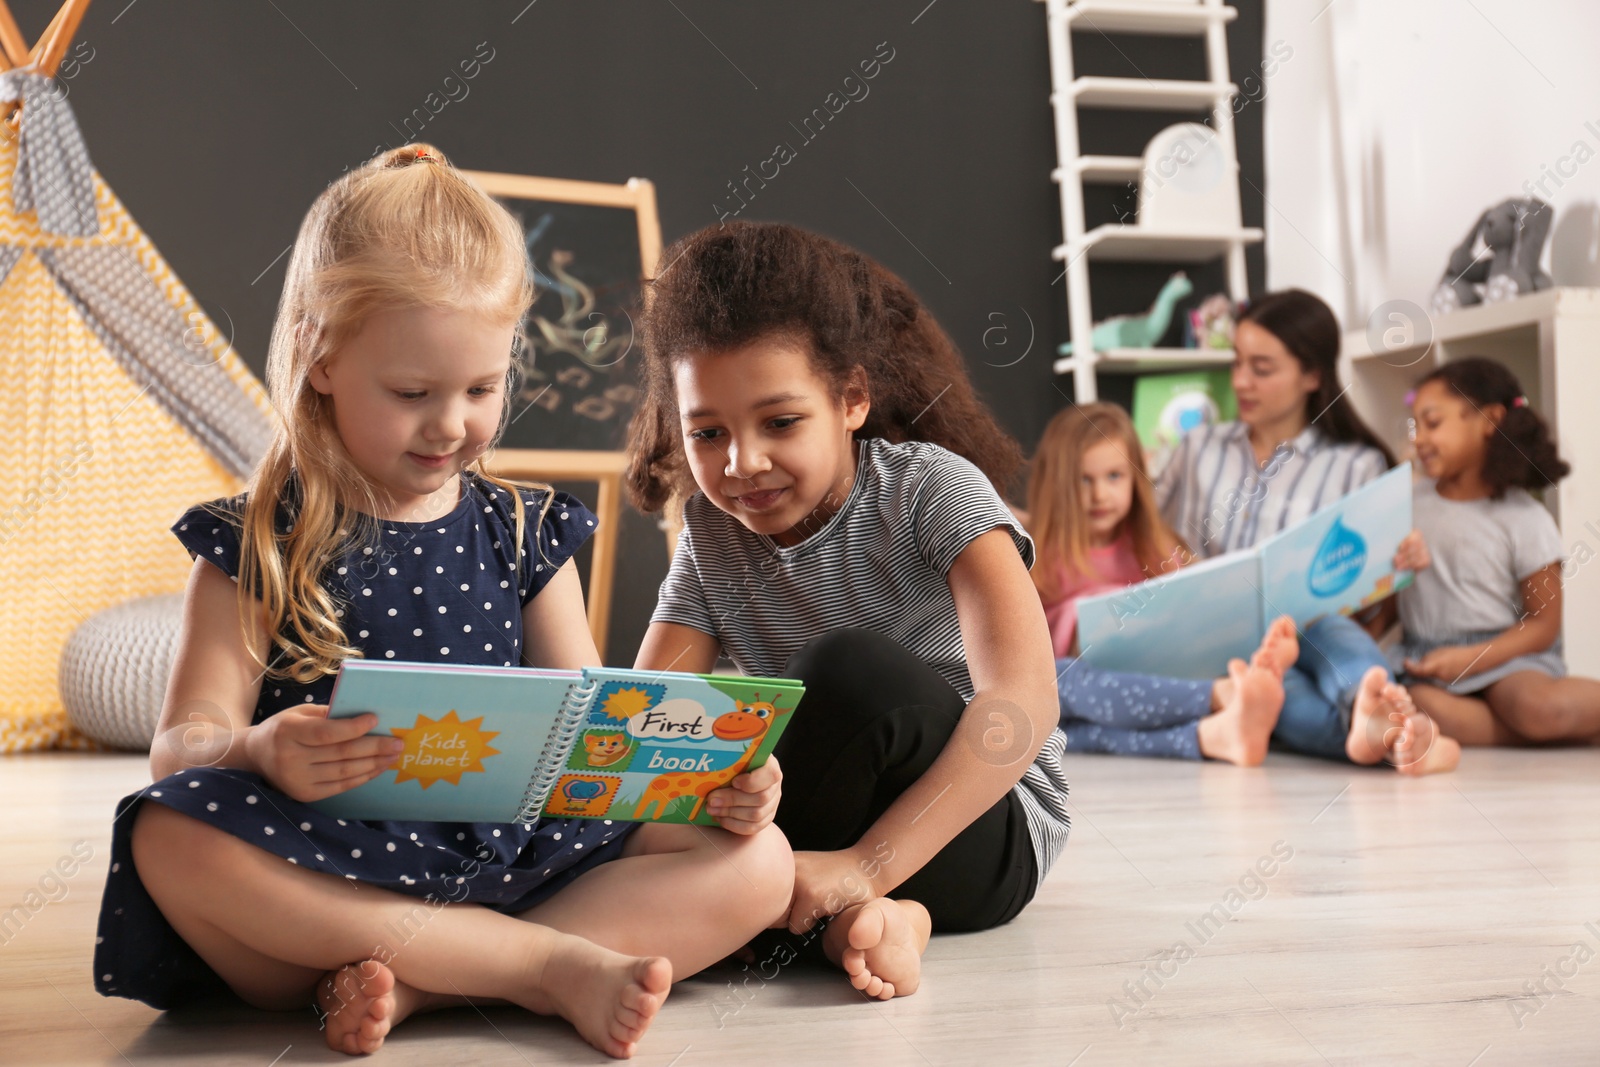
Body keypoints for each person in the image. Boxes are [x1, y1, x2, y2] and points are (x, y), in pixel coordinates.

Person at [92, 144, 793, 1060]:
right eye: (413, 392)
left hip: (503, 857)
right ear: (320, 356)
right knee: (168, 835)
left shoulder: (527, 529)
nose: (453, 423)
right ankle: (541, 968)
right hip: (325, 872)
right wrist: (259, 748)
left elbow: (592, 725)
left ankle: (419, 982)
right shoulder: (252, 539)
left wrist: (713, 785)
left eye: (483, 388)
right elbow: (181, 744)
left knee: (763, 863)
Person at [626, 221, 1068, 1001]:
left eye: (781, 422)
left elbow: (1022, 704)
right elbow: (641, 716)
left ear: (851, 399)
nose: (743, 463)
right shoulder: (709, 530)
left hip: (983, 827)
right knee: (681, 761)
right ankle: (866, 922)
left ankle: (859, 892)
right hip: (815, 833)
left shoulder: (932, 489)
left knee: (846, 668)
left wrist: (866, 862)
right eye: (708, 432)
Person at [1155, 290, 1458, 774]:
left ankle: (1370, 701)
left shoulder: (1356, 465)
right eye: (1237, 363)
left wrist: (1396, 562)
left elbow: (1368, 601)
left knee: (1322, 629)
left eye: (1262, 368)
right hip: (1218, 640)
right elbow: (1133, 522)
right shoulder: (1196, 449)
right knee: (1271, 697)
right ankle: (1400, 734)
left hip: (1316, 629)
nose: (1241, 381)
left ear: (1313, 375)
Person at [1027, 402, 1300, 765]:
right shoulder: (1036, 554)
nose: (1099, 495)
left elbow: (1190, 606)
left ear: (1135, 478)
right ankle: (1222, 704)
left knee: (1082, 734)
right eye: (1083, 479)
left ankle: (1214, 732)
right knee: (1061, 718)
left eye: (1114, 477)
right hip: (1079, 693)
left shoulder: (1154, 545)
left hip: (1157, 682)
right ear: (1057, 483)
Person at [1395, 357, 1600, 745]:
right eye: (1414, 426)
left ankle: (1547, 724)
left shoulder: (1523, 517)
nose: (1418, 439)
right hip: (1430, 660)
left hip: (1509, 658)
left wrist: (1472, 658)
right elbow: (1391, 590)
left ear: (1489, 420)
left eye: (1433, 423)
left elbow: (1543, 624)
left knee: (1538, 707)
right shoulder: (1406, 503)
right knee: (1419, 704)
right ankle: (1549, 735)